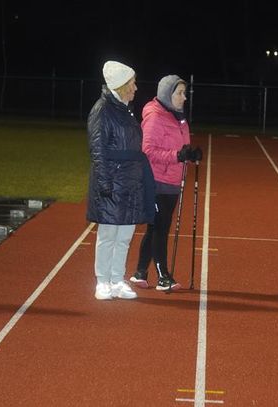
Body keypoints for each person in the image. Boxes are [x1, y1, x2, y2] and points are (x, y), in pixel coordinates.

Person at [86, 60, 155, 300]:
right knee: (108, 234)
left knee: (125, 235)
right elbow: (98, 149)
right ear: (122, 85)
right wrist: (104, 184)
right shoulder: (102, 110)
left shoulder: (125, 109)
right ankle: (102, 281)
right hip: (112, 181)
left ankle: (117, 279)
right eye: (132, 84)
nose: (136, 88)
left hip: (130, 182)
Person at [129, 75, 201, 291]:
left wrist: (189, 154)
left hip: (171, 179)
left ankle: (140, 272)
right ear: (167, 94)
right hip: (155, 179)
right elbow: (147, 150)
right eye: (179, 93)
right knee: (161, 228)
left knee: (154, 228)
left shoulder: (177, 117)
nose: (184, 97)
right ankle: (163, 276)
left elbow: (180, 147)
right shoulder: (156, 116)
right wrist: (176, 156)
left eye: (184, 93)